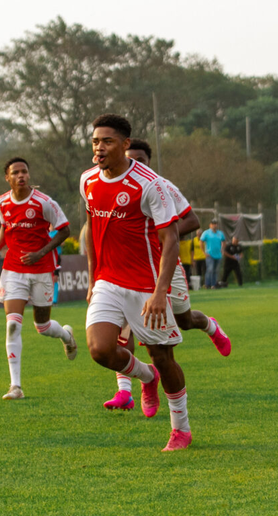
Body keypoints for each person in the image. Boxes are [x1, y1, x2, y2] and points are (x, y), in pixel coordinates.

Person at [82, 114, 194, 451]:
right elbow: (90, 227)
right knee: (100, 349)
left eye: (107, 142)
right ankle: (146, 377)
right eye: (95, 142)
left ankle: (181, 429)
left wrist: (161, 292)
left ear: (125, 145)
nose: (99, 148)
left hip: (146, 286)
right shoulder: (87, 180)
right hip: (107, 281)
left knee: (164, 358)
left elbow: (171, 239)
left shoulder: (150, 184)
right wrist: (92, 277)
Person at [102, 138, 232, 417]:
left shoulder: (160, 186)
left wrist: (162, 233)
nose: (135, 163)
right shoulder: (109, 186)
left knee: (184, 321)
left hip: (164, 268)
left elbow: (193, 220)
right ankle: (131, 388)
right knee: (121, 327)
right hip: (128, 270)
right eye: (130, 157)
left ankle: (210, 326)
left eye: (141, 159)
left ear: (149, 162)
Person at [0, 156, 77, 400]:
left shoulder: (44, 202)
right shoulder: (2, 202)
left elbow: (65, 229)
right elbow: (6, 228)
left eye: (24, 171)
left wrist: (41, 253)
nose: (21, 175)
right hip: (13, 269)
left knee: (42, 326)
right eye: (15, 172)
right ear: (8, 178)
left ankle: (66, 335)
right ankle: (16, 386)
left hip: (41, 269)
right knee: (13, 324)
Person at [200, 219, 226, 289]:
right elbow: (201, 241)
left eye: (216, 224)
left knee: (216, 270)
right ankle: (207, 284)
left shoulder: (220, 233)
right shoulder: (206, 233)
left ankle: (214, 284)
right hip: (210, 254)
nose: (215, 225)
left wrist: (222, 249)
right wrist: (204, 252)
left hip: (218, 255)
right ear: (210, 225)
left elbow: (223, 241)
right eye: (213, 224)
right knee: (210, 269)